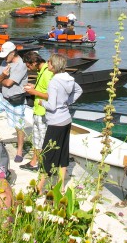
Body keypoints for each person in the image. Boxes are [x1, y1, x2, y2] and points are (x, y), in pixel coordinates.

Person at [36, 53, 82, 193]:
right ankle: (61, 186)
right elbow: (79, 90)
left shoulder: (54, 81)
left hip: (56, 121)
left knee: (47, 154)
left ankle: (38, 188)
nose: (47, 64)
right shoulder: (69, 78)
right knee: (62, 153)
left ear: (53, 65)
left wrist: (41, 102)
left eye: (49, 62)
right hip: (66, 119)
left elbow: (52, 106)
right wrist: (67, 102)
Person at [21, 52, 54, 171]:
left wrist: (34, 92)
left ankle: (45, 166)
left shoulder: (47, 73)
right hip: (37, 110)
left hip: (43, 111)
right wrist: (34, 88)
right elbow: (43, 89)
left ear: (34, 63)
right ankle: (34, 162)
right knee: (37, 139)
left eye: (29, 66)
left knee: (43, 139)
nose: (29, 69)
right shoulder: (42, 71)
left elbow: (51, 95)